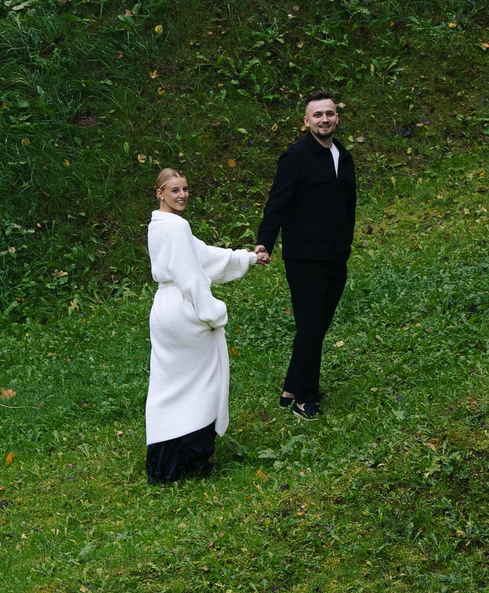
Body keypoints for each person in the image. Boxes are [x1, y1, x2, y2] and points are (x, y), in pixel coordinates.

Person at [144, 167, 266, 484]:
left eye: (185, 189)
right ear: (160, 193)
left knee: (167, 386)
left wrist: (248, 258)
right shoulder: (175, 228)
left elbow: (203, 255)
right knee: (203, 383)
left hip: (163, 311)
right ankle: (192, 458)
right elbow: (192, 276)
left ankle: (164, 463)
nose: (182, 195)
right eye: (175, 190)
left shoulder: (159, 225)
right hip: (184, 310)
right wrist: (212, 312)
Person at [254, 92, 356, 419]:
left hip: (337, 257)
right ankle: (304, 399)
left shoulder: (344, 156)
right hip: (305, 259)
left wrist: (347, 244)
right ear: (307, 121)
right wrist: (265, 244)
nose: (324, 119)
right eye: (317, 115)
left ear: (336, 117)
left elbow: (348, 206)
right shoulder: (296, 157)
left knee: (318, 325)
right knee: (311, 325)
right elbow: (277, 203)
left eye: (329, 113)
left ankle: (290, 387)